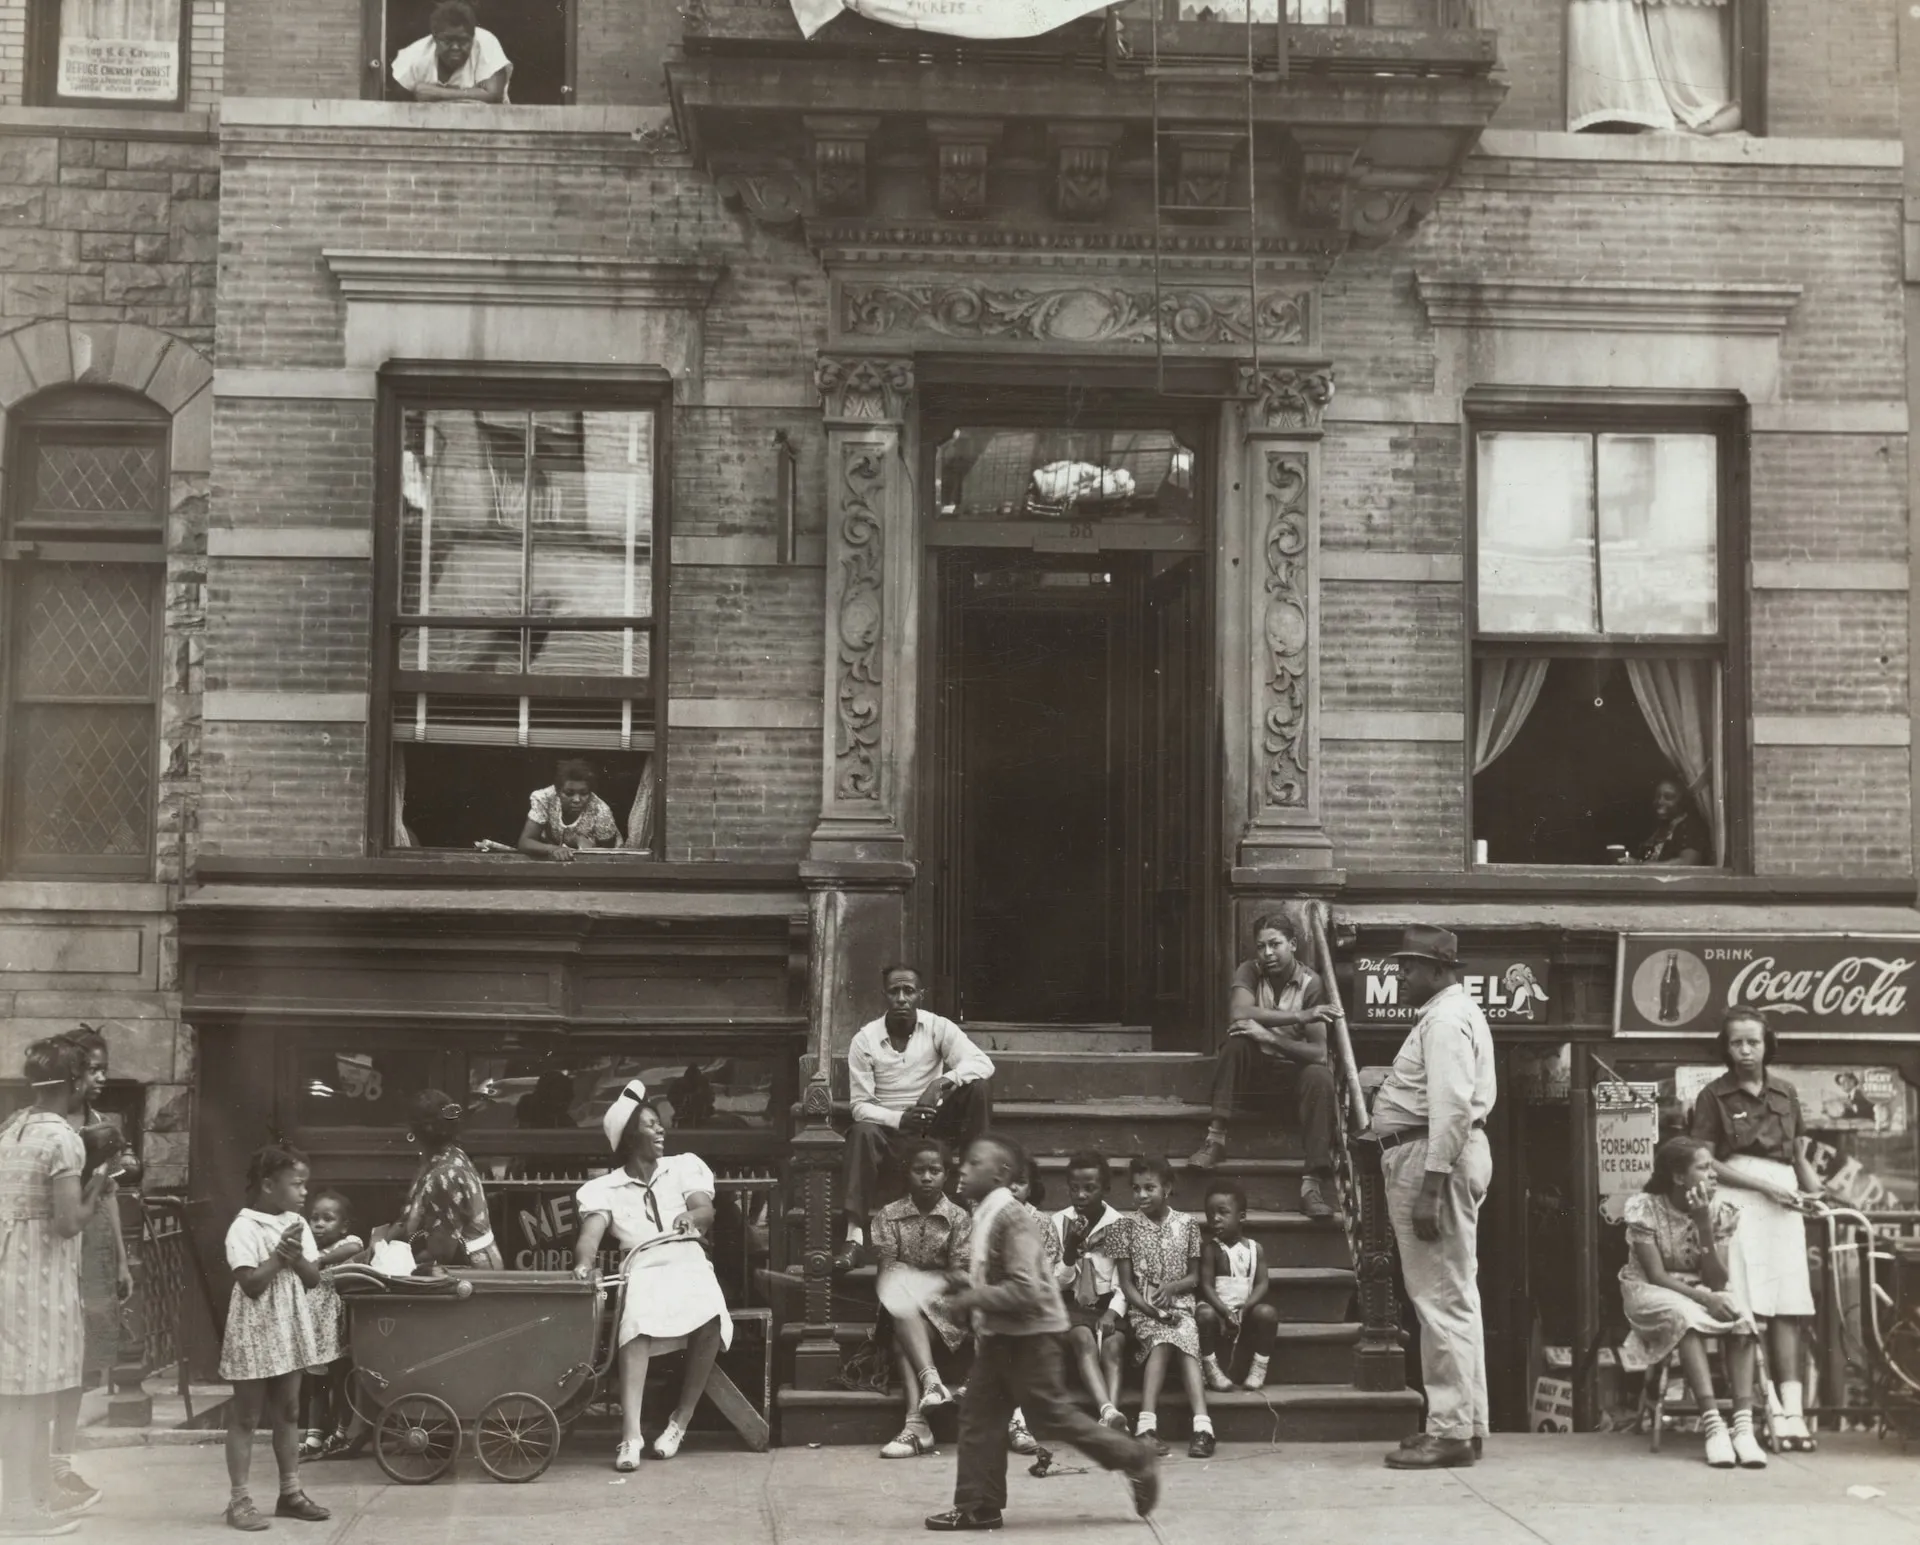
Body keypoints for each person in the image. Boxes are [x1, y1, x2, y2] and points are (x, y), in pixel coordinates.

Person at [923, 1134, 1158, 1533]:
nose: (963, 1168)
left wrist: (973, 1298)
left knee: (1051, 1416)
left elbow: (1027, 1288)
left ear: (1000, 1174)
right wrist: (965, 1283)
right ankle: (979, 1506)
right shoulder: (987, 1212)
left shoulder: (1012, 1218)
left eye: (975, 1162)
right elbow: (998, 1277)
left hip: (1031, 1338)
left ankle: (1134, 1457)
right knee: (979, 1417)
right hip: (1002, 1337)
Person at [1369, 924, 1497, 1471]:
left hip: (1431, 1157)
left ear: (1440, 969)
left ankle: (1449, 1432)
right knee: (1455, 1296)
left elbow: (1451, 1108)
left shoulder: (1444, 1020)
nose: (1400, 975)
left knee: (1439, 1299)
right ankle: (1466, 1424)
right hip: (1437, 1153)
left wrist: (1430, 1187)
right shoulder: (1450, 1014)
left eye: (1410, 967)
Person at [572, 1081, 732, 1470]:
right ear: (630, 1138)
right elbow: (589, 1238)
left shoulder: (683, 1167)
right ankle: (631, 1436)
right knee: (636, 1325)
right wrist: (584, 1264)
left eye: (659, 1123)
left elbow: (705, 1210)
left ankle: (680, 1421)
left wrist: (691, 1217)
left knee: (712, 1315)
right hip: (642, 1265)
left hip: (687, 1257)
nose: (661, 1130)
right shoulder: (605, 1188)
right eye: (650, 1125)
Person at [1689, 1007, 1823, 1451]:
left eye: (1753, 1042)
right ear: (1726, 1048)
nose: (1746, 1050)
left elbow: (1798, 1155)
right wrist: (1766, 1188)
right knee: (1744, 1309)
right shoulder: (1713, 1096)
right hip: (1740, 1202)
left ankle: (1793, 1414)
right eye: (1737, 1043)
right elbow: (1705, 1162)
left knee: (1787, 1305)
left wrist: (1813, 1192)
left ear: (1767, 1045)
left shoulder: (1786, 1092)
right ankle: (1760, 1413)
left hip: (1784, 1204)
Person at [0, 1037, 119, 1538]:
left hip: (10, 1269)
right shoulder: (63, 1139)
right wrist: (98, 1184)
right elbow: (69, 1222)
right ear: (72, 1081)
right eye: (85, 1074)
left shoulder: (13, 1129)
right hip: (40, 1277)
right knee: (31, 1399)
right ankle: (18, 1510)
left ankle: (34, 1497)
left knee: (20, 1394)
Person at [1618, 1136, 1766, 1469]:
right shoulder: (1645, 1208)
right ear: (1678, 1176)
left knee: (1740, 1317)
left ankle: (1743, 1428)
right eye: (1703, 1168)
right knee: (1685, 1317)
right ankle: (1713, 1425)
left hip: (1701, 1288)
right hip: (1649, 1289)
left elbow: (1717, 1282)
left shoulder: (1718, 1211)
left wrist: (1703, 1225)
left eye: (1713, 1167)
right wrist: (1706, 1300)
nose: (1713, 1175)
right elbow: (1656, 1275)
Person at [837, 965, 995, 1272]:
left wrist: (940, 1083)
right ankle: (853, 1237)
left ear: (920, 995)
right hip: (892, 1134)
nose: (901, 998)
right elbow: (860, 1106)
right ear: (884, 995)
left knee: (978, 1087)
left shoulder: (937, 1027)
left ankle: (974, 1192)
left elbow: (982, 1062)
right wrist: (899, 1119)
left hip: (934, 1128)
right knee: (861, 1131)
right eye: (894, 991)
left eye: (908, 991)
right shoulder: (865, 1040)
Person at [1189, 912, 1340, 1222]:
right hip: (1254, 1082)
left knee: (1320, 1076)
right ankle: (1215, 1140)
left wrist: (1269, 1036)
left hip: (1292, 1083)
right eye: (1261, 946)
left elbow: (1318, 1053)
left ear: (1292, 944)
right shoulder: (1250, 970)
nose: (1267, 953)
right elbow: (1239, 1011)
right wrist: (1300, 1016)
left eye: (1275, 944)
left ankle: (1311, 1186)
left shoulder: (1311, 983)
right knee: (1236, 1043)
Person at [220, 1145, 330, 1532]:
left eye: (305, 1185)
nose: (304, 1192)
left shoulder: (295, 1223)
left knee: (289, 1411)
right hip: (253, 1330)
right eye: (297, 1184)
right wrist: (279, 1257)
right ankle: (239, 1500)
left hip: (287, 1327)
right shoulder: (244, 1227)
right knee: (247, 1416)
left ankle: (290, 1493)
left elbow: (313, 1278)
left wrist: (295, 1257)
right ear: (268, 1185)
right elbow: (250, 1284)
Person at [53, 1026, 132, 1517]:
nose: (101, 1078)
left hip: (95, 1246)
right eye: (94, 1069)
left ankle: (60, 1461)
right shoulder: (50, 1126)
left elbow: (111, 1195)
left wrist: (121, 1259)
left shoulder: (105, 1124)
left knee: (81, 1361)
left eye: (105, 1069)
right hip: (60, 1244)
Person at [872, 1139, 972, 1460]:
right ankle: (931, 1383)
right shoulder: (890, 1216)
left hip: (946, 1314)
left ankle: (917, 1423)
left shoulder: (958, 1218)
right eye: (919, 1170)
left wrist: (914, 1276)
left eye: (935, 1170)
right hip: (904, 1310)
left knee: (901, 1332)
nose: (927, 1177)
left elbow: (961, 1277)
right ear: (907, 1173)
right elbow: (886, 1274)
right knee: (898, 1299)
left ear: (946, 1175)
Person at [1116, 1156, 1211, 1459]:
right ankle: (1146, 1426)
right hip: (1143, 1309)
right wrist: (1150, 1310)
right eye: (1136, 1188)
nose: (1141, 1195)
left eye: (1149, 1188)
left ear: (1167, 1188)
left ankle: (1202, 1427)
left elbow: (1194, 1277)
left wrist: (1172, 1288)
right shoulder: (1124, 1226)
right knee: (1162, 1339)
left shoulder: (1188, 1224)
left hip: (1180, 1307)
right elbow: (1127, 1284)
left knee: (1184, 1336)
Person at [1050, 1151, 1129, 1433]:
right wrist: (1070, 1249)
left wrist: (1112, 1313)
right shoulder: (1059, 1221)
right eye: (1074, 1188)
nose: (1081, 1195)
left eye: (1089, 1188)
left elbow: (1124, 1282)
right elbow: (1058, 1283)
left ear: (1105, 1188)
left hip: (1108, 1304)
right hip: (1072, 1304)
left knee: (1114, 1345)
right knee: (1083, 1338)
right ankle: (1107, 1409)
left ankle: (1112, 1417)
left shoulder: (1118, 1224)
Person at [395, 1091, 503, 1270]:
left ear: (414, 1132)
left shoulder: (444, 1175)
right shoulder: (446, 1157)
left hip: (474, 1271)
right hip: (467, 1264)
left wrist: (395, 1262)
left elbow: (442, 1250)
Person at [297, 1191, 364, 1460]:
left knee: (341, 1379)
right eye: (314, 1219)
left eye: (328, 1219)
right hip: (315, 1328)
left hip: (338, 1326)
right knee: (316, 1384)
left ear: (344, 1226)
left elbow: (355, 1247)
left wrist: (322, 1260)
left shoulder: (345, 1244)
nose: (319, 1224)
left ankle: (341, 1432)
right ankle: (314, 1436)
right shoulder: (307, 1250)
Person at [1197, 1180, 1277, 1393]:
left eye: (1223, 1212)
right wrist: (1224, 1312)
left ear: (1241, 1216)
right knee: (1203, 1314)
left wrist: (1247, 1307)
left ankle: (1259, 1366)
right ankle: (1210, 1366)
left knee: (1268, 1313)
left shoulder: (1255, 1249)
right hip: (1218, 1310)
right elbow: (1206, 1285)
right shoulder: (1211, 1249)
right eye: (1210, 1214)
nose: (1215, 1218)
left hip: (1245, 1311)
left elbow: (1262, 1283)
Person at [1005, 1160, 1057, 1458]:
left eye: (1021, 1182)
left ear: (1031, 1187)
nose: (1012, 1188)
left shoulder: (1043, 1223)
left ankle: (1018, 1419)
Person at [390, 0, 512, 103]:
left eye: (463, 41)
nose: (455, 47)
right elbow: (400, 103)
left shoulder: (485, 42)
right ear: (435, 38)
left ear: (472, 37)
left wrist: (437, 93)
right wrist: (474, 94)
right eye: (448, 41)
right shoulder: (415, 55)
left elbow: (493, 95)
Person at [518, 759, 621, 862]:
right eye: (569, 793)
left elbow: (608, 854)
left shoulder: (601, 810)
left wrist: (584, 845)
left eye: (584, 793)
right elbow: (525, 842)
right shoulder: (545, 798)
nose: (577, 800)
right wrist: (554, 849)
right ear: (557, 791)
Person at [1617, 776, 1710, 867]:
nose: (1660, 801)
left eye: (1668, 797)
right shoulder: (1660, 827)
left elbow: (1688, 863)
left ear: (1682, 801)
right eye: (1657, 796)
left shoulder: (1691, 827)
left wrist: (1640, 865)